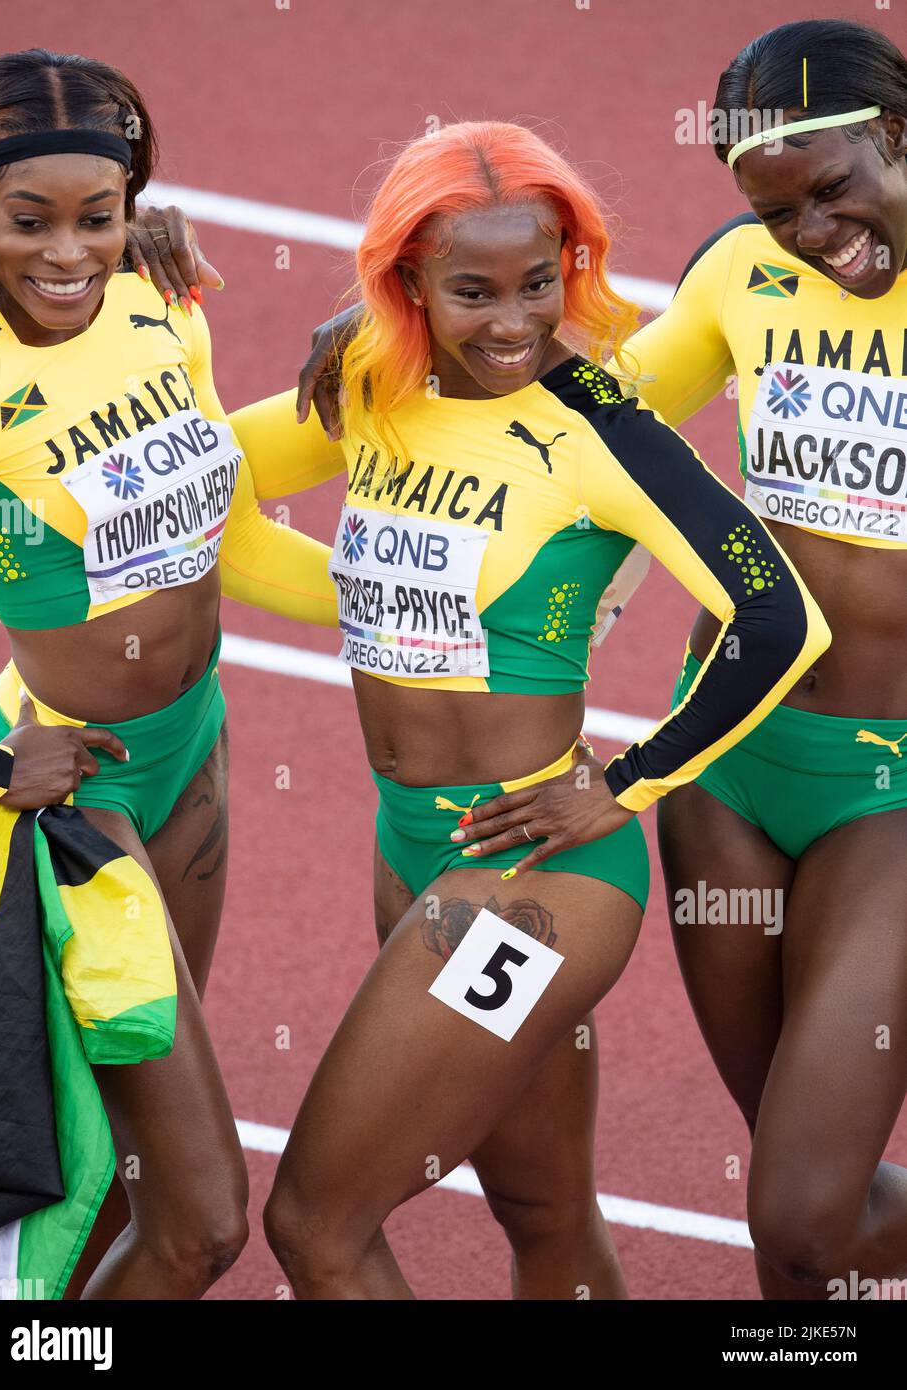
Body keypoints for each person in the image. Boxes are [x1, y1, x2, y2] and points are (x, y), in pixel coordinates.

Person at [230, 118, 829, 1298]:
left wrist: (625, 777)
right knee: (545, 1214)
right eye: (471, 289)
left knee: (313, 1224)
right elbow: (214, 491)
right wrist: (361, 602)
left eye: (538, 283)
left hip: (534, 876)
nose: (512, 322)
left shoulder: (600, 426)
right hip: (412, 848)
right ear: (404, 278)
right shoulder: (370, 387)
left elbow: (780, 620)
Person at [389, 19, 907, 1300]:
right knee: (803, 1212)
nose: (813, 235)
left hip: (889, 786)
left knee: (797, 1212)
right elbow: (591, 405)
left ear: (897, 135)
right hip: (725, 770)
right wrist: (384, 331)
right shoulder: (745, 271)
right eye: (775, 210)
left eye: (834, 192)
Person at [0, 47, 337, 1299]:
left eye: (98, 216)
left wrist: (405, 602)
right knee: (202, 1221)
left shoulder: (158, 301)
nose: (68, 251)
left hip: (191, 756)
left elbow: (221, 527)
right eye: (30, 221)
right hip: (66, 806)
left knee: (121, 1165)